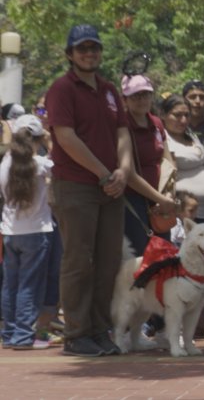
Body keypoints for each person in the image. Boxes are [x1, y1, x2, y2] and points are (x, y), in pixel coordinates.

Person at [44, 24, 133, 357]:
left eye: (94, 47)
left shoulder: (110, 90)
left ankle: (98, 330)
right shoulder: (61, 89)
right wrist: (104, 172)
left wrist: (123, 171)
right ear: (70, 54)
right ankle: (77, 333)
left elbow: (122, 133)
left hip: (111, 187)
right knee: (79, 261)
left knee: (109, 262)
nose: (89, 53)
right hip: (76, 186)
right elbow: (66, 138)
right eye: (82, 48)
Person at [1, 126, 58, 349]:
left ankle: (10, 334)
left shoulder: (4, 164)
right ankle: (24, 336)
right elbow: (60, 168)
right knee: (29, 286)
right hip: (36, 232)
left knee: (10, 285)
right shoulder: (41, 164)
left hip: (10, 232)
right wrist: (49, 141)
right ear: (36, 139)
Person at [120, 74, 176, 255]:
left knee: (163, 253)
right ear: (125, 99)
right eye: (135, 96)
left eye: (145, 94)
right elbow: (129, 175)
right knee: (141, 257)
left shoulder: (157, 123)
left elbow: (168, 161)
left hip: (160, 201)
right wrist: (161, 200)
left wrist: (167, 195)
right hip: (133, 202)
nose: (141, 100)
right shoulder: (122, 125)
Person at [161, 95, 204, 223]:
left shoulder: (191, 135)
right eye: (177, 115)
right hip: (182, 215)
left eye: (187, 115)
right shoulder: (163, 139)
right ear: (164, 115)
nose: (183, 120)